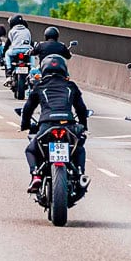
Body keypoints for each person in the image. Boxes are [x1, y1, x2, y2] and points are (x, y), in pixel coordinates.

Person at [17, 55, 90, 192]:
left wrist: (25, 125)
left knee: (31, 150)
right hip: (68, 125)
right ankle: (80, 175)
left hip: (47, 125)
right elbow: (81, 109)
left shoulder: (40, 86)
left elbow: (28, 109)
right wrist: (83, 125)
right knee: (79, 147)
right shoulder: (70, 86)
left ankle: (36, 175)